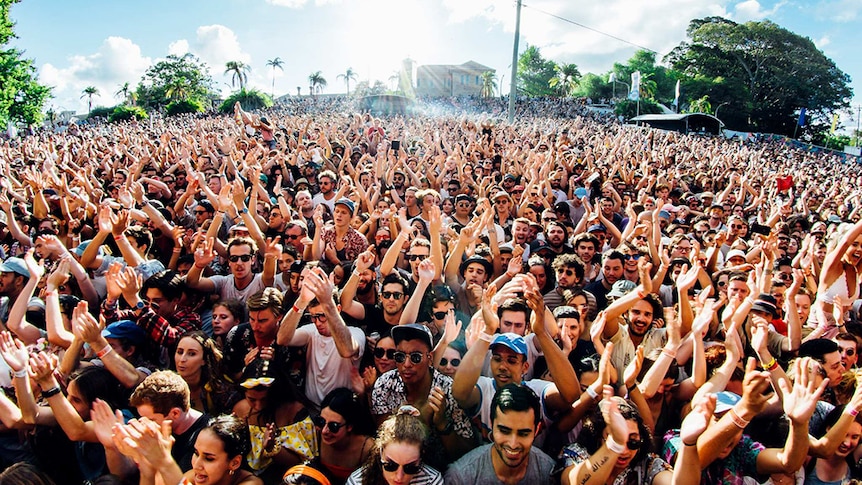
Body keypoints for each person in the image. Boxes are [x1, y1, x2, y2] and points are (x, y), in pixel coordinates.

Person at [445, 384, 554, 485]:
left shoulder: (548, 473)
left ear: (537, 430)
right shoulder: (461, 478)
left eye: (523, 434)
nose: (513, 444)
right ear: (491, 425)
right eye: (504, 431)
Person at [113, 413, 262, 485]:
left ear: (235, 463)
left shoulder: (252, 483)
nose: (197, 464)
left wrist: (165, 462)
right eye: (196, 453)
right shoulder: (196, 475)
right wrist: (147, 463)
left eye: (209, 458)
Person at [345, 406, 443, 485]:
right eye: (390, 466)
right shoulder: (357, 482)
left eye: (410, 468)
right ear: (380, 452)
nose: (399, 477)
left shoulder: (432, 481)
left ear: (421, 457)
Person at [309, 388, 375, 485]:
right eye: (321, 422)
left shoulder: (367, 448)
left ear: (350, 426)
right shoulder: (316, 435)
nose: (324, 431)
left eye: (333, 426)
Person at [175, 331, 240, 415]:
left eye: (192, 354)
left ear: (204, 360)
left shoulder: (221, 391)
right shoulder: (168, 386)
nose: (182, 359)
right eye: (180, 352)